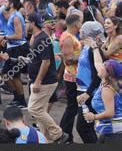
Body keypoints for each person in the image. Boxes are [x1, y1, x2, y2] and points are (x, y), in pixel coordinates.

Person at [26, 13, 69, 143]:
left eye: (27, 21)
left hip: (45, 82)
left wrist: (38, 81)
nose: (25, 24)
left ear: (33, 23)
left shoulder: (42, 39)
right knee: (41, 110)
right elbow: (40, 59)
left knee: (33, 109)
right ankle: (44, 139)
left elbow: (46, 62)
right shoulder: (37, 37)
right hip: (41, 81)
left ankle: (58, 133)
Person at [83, 59, 122, 143]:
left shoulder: (107, 89)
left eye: (104, 66)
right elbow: (97, 62)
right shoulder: (103, 82)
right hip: (109, 131)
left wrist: (93, 117)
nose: (100, 67)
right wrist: (95, 48)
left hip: (115, 133)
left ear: (109, 74)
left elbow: (110, 113)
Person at [59, 14, 82, 143]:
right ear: (76, 24)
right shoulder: (68, 38)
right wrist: (84, 57)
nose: (81, 25)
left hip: (74, 76)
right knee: (72, 108)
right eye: (80, 22)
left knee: (72, 108)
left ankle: (65, 134)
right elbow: (68, 60)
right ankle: (65, 135)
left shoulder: (71, 36)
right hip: (72, 77)